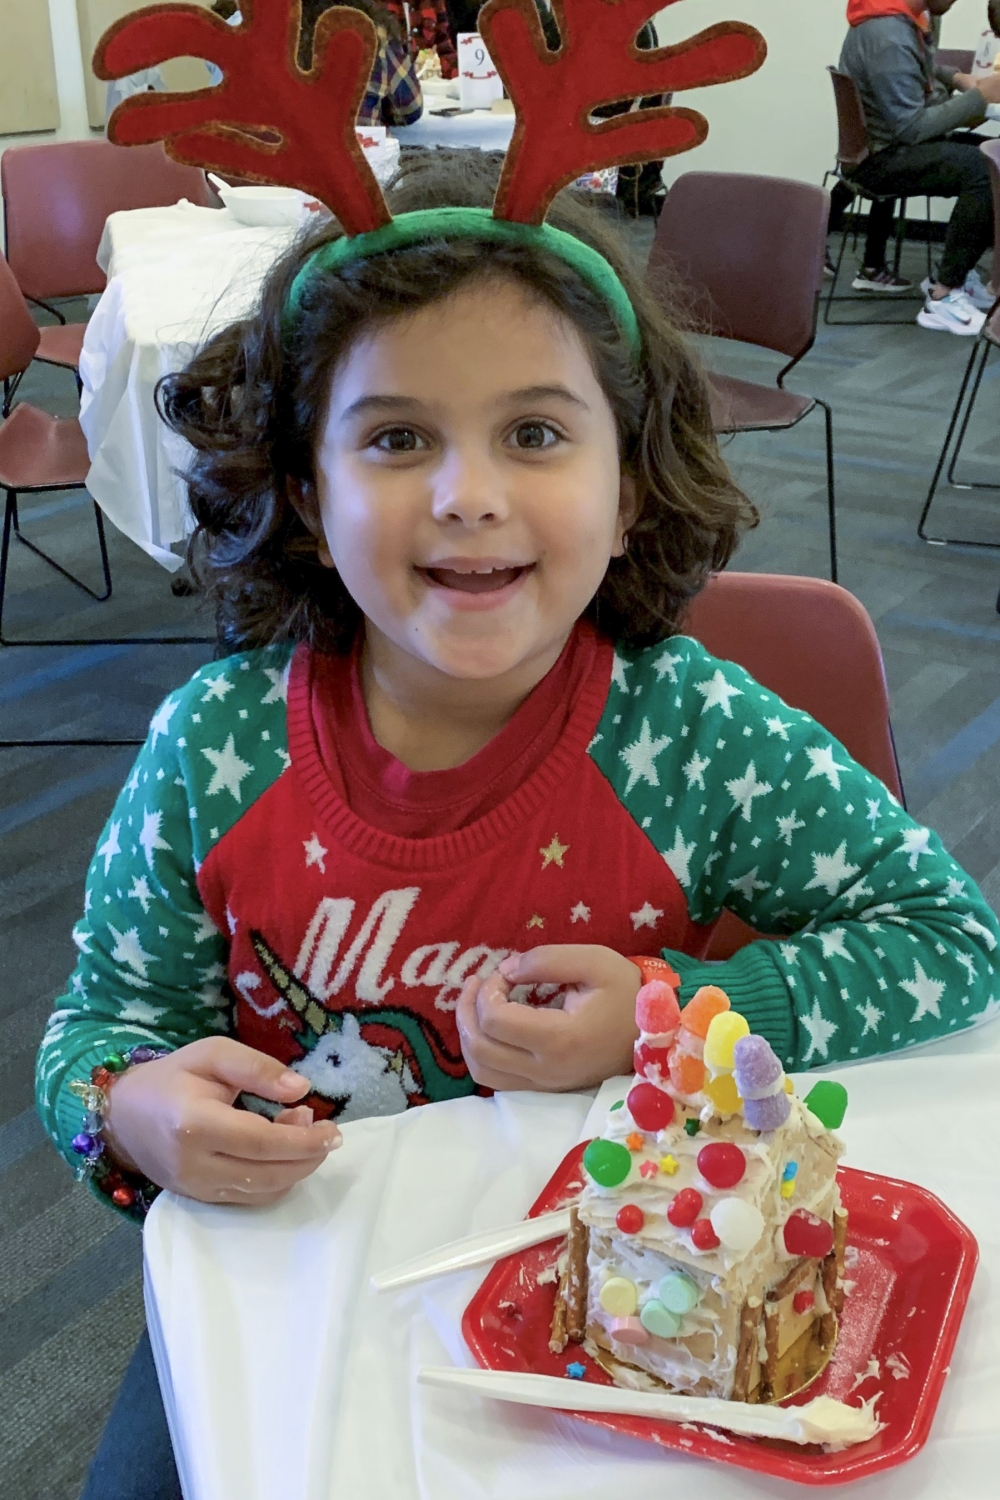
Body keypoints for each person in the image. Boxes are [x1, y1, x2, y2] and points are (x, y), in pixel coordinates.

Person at [39, 151, 999, 1497]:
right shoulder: (215, 749)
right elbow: (103, 1030)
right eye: (395, 437)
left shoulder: (695, 739)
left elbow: (952, 940)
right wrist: (129, 1114)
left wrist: (666, 1016)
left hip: (636, 1302)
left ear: (632, 485)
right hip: (304, 1275)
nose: (467, 494)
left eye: (537, 434)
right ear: (308, 496)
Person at [838, 0, 1000, 335]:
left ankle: (954, 273)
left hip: (891, 146)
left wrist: (955, 77)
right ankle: (944, 296)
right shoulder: (888, 35)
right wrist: (980, 97)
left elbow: (917, 68)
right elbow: (910, 129)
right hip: (881, 159)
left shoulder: (900, 16)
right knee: (983, 169)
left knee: (994, 158)